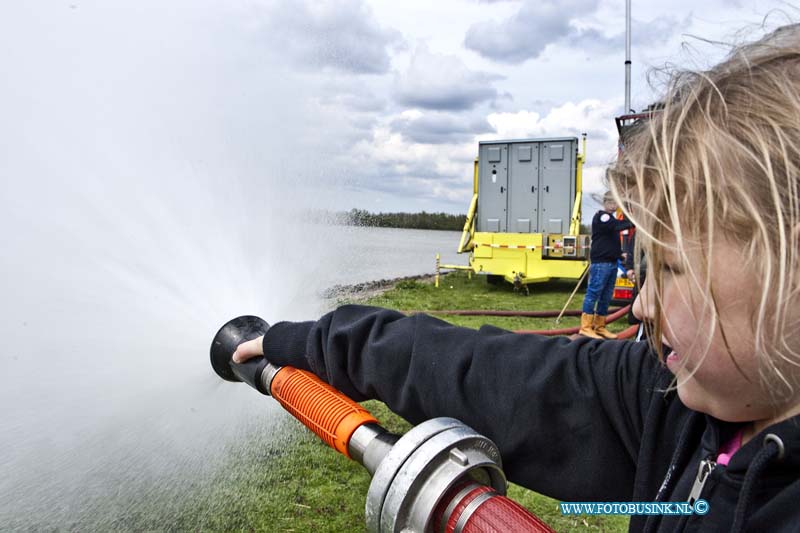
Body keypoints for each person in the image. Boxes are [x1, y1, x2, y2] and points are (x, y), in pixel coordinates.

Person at [233, 26, 800, 532]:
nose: (643, 306)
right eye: (647, 268)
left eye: (674, 269)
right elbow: (493, 374)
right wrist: (317, 343)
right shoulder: (675, 401)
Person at [579, 191, 634, 339]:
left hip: (611, 262)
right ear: (606, 202)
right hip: (601, 263)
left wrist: (620, 253)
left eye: (617, 203)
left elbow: (609, 242)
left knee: (606, 296)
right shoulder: (602, 217)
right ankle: (585, 327)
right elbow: (616, 226)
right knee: (594, 293)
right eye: (613, 203)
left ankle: (600, 326)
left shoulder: (610, 219)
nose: (615, 206)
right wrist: (634, 220)